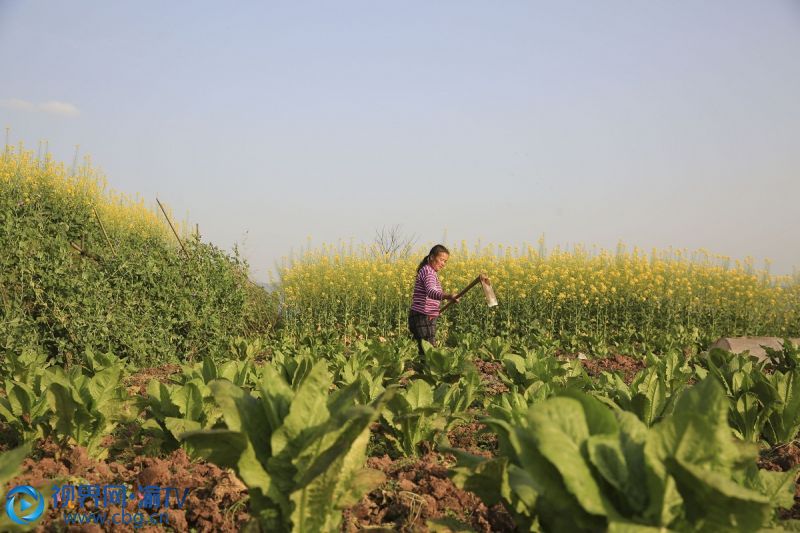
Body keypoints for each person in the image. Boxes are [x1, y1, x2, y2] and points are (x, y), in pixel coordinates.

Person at [408, 244, 459, 356]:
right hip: (422, 316)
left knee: (424, 351)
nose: (443, 264)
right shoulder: (428, 272)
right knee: (429, 352)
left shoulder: (428, 271)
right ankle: (428, 373)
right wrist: (449, 296)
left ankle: (423, 372)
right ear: (431, 257)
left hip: (423, 316)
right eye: (441, 260)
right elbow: (431, 292)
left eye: (445, 261)